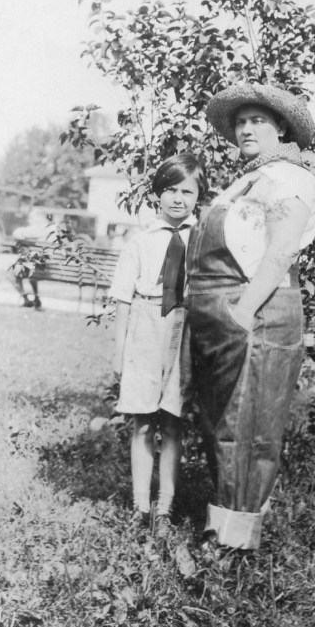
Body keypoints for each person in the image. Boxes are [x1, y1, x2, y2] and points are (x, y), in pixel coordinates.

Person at [186, 82, 315, 551]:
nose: (246, 129)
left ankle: (232, 542)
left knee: (249, 427)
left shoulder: (292, 178)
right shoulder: (245, 180)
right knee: (221, 423)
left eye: (257, 120)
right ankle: (221, 521)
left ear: (280, 127)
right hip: (224, 318)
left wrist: (241, 312)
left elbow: (281, 249)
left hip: (258, 314)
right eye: (241, 122)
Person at [110, 153, 207, 572]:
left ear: (199, 197)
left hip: (185, 327)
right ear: (157, 194)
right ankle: (139, 506)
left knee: (173, 419)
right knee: (143, 421)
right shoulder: (140, 240)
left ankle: (164, 506)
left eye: (187, 191)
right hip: (146, 326)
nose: (178, 198)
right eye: (170, 189)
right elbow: (123, 301)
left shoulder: (202, 240)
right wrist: (119, 351)